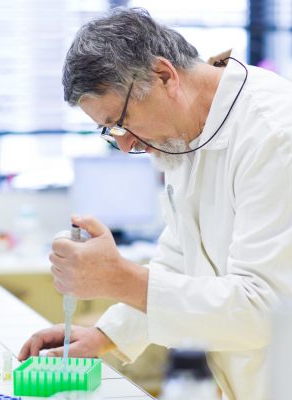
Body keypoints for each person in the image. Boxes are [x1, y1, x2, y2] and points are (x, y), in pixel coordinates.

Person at [18, 7, 292, 400]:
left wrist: (119, 279)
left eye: (123, 119)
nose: (125, 142)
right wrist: (104, 335)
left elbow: (265, 309)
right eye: (110, 130)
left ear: (165, 76)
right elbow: (180, 259)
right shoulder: (185, 133)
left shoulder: (275, 135)